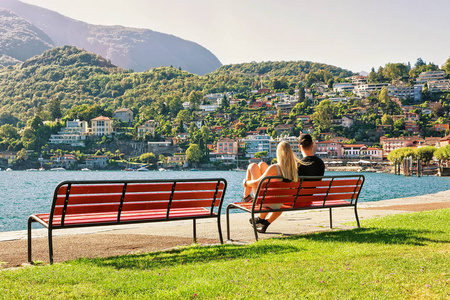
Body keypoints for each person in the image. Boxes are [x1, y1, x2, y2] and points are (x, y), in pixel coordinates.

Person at [242, 134, 325, 233]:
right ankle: (262, 221)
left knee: (254, 167)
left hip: (292, 200)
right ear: (312, 144)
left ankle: (248, 200)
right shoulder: (320, 163)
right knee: (263, 166)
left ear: (299, 147)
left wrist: (246, 183)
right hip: (307, 199)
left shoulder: (298, 165)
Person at [242, 141, 298, 233]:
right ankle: (260, 220)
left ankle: (246, 196)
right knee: (262, 165)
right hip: (279, 203)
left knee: (252, 166)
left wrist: (246, 183)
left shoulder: (275, 168)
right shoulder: (294, 170)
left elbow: (256, 184)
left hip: (265, 201)